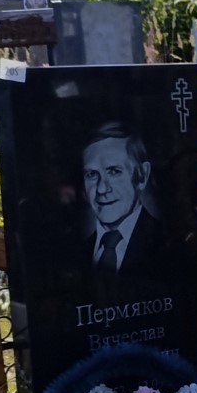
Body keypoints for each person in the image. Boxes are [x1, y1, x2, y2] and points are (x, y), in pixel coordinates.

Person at [81, 124, 171, 298]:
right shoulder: (76, 251)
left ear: (142, 175)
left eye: (114, 172)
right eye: (91, 174)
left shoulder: (167, 245)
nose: (101, 189)